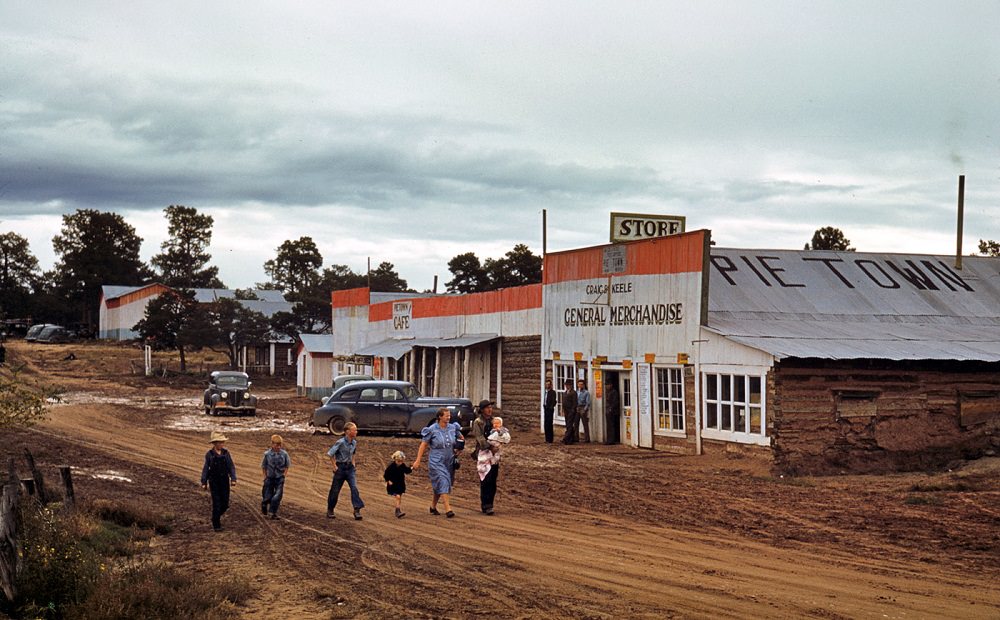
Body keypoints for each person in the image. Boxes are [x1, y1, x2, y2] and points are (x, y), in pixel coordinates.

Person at [413, 407, 464, 518]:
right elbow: (423, 445)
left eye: (449, 415)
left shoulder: (452, 427)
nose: (449, 417)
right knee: (443, 480)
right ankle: (448, 509)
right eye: (446, 416)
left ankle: (433, 506)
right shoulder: (432, 429)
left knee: (441, 484)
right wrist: (418, 460)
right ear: (440, 417)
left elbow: (461, 438)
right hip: (436, 460)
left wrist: (459, 448)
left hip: (449, 460)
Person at [326, 422, 364, 520]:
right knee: (335, 490)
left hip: (350, 468)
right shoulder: (340, 442)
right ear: (347, 432)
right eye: (354, 430)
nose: (356, 431)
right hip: (341, 468)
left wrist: (353, 463)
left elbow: (353, 453)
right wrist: (334, 466)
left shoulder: (354, 442)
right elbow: (330, 454)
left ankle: (357, 510)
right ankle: (330, 509)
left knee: (354, 488)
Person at [200, 431, 237, 532]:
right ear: (214, 443)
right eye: (219, 442)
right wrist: (204, 482)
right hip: (214, 481)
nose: (221, 444)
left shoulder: (226, 453)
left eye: (222, 442)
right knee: (216, 503)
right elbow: (206, 468)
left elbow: (231, 466)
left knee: (225, 504)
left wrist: (233, 478)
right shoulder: (209, 454)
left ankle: (215, 517)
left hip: (224, 480)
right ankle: (216, 524)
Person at [471, 399, 502, 514]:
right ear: (482, 410)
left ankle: (491, 503)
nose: (490, 409)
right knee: (485, 479)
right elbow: (480, 438)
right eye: (487, 408)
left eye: (490, 407)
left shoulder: (495, 421)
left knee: (493, 479)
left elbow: (501, 433)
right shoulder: (478, 422)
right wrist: (490, 447)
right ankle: (485, 505)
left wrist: (500, 442)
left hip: (494, 454)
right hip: (483, 454)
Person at [260, 434, 290, 520]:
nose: (278, 447)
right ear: (272, 444)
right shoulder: (267, 454)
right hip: (269, 477)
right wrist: (265, 476)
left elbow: (287, 465)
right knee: (267, 494)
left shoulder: (284, 454)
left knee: (277, 495)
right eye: (276, 445)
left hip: (279, 477)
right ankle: (264, 503)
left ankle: (272, 512)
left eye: (280, 445)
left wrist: (284, 475)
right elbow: (264, 466)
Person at [477, 416, 511, 481]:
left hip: (497, 443)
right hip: (491, 444)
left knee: (496, 454)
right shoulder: (492, 430)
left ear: (501, 424)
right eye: (494, 423)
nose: (496, 425)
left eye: (498, 423)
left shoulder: (502, 429)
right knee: (489, 454)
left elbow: (503, 435)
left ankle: (493, 461)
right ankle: (487, 462)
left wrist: (499, 432)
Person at [383, 450, 412, 518]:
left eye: (401, 461)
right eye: (398, 461)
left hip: (400, 484)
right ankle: (398, 511)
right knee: (398, 497)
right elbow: (386, 474)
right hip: (393, 485)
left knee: (399, 497)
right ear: (395, 459)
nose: (400, 463)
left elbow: (407, 471)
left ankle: (397, 510)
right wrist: (388, 480)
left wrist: (412, 467)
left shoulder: (402, 465)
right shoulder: (391, 466)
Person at [561, 380, 578, 444]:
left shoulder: (573, 393)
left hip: (571, 411)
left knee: (569, 425)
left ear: (571, 385)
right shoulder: (565, 392)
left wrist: (573, 410)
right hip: (566, 411)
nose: (566, 386)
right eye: (566, 385)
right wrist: (562, 409)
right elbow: (564, 402)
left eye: (567, 385)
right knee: (568, 425)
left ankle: (566, 438)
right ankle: (571, 439)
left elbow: (575, 403)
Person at [542, 378, 557, 443]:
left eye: (548, 384)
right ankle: (546, 438)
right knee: (546, 424)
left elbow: (554, 401)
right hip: (545, 408)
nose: (547, 386)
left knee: (549, 424)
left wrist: (551, 407)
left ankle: (550, 439)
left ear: (551, 385)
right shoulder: (545, 392)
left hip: (550, 409)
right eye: (546, 384)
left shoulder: (552, 392)